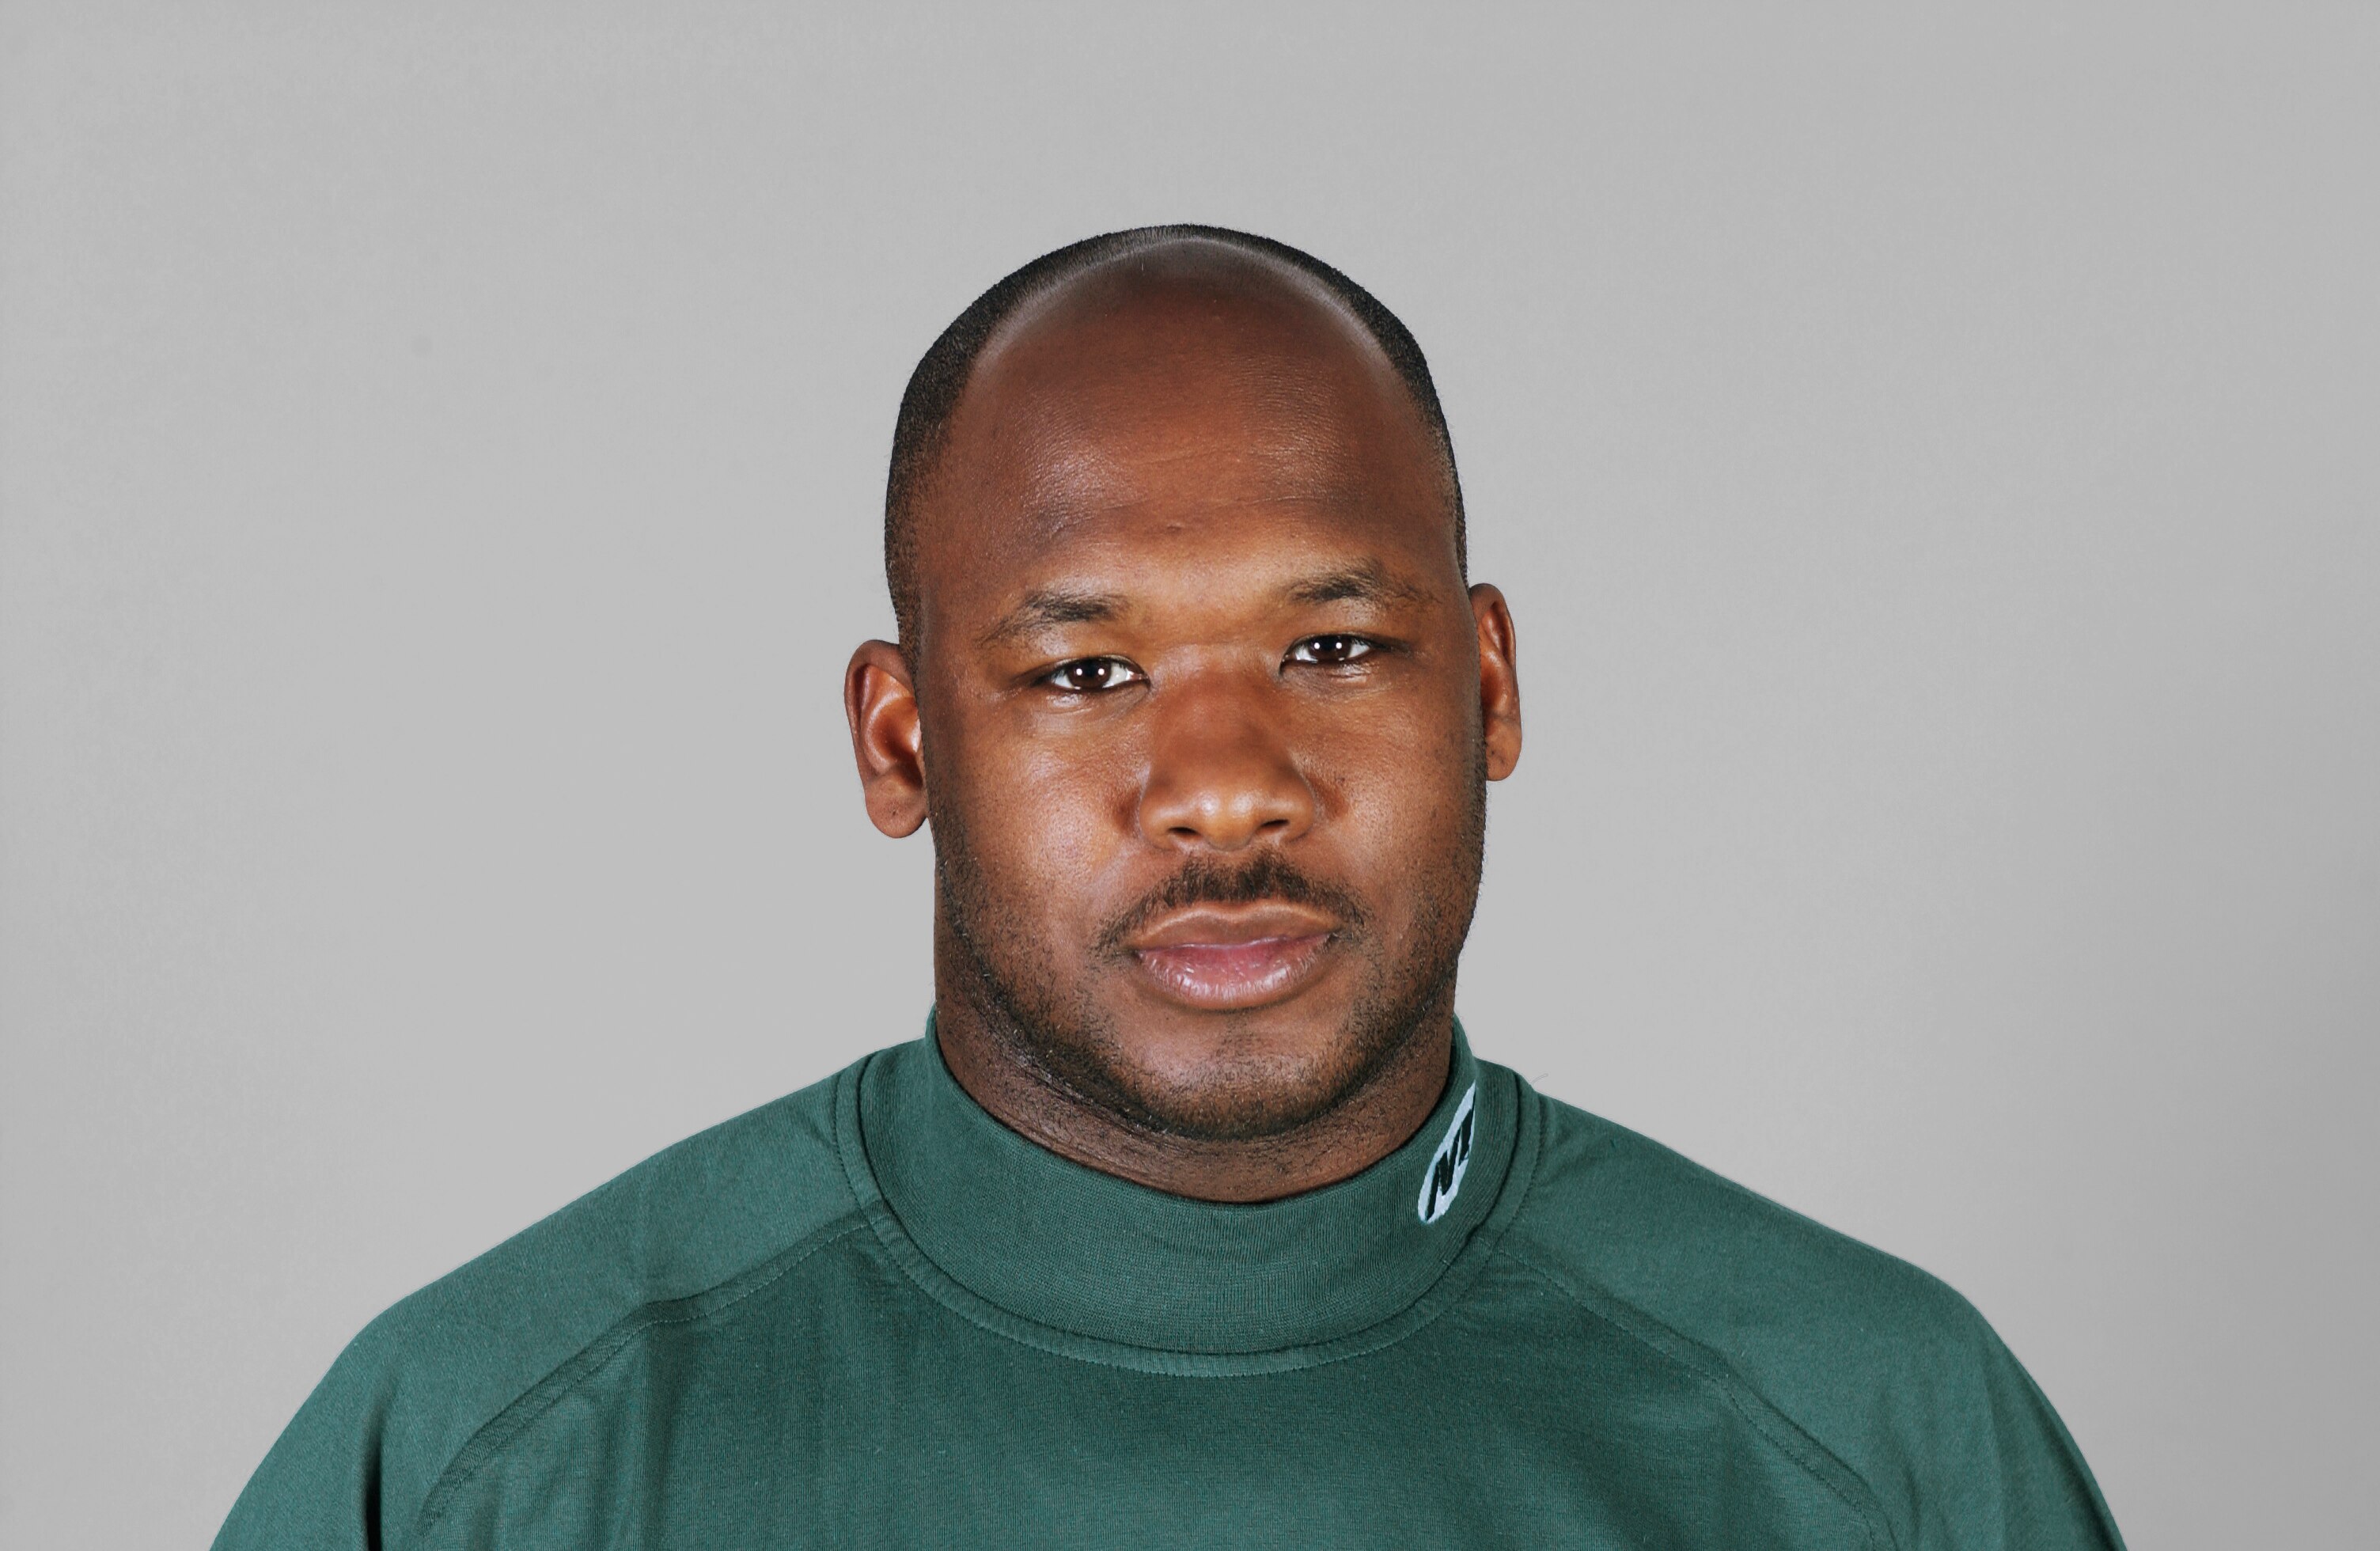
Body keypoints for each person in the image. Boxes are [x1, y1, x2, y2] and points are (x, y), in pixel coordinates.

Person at [215, 226, 2124, 1549]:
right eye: (1085, 672)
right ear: (900, 743)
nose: (1224, 786)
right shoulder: (492, 1460)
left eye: (1333, 648)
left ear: (1488, 689)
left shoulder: (1877, 1440)